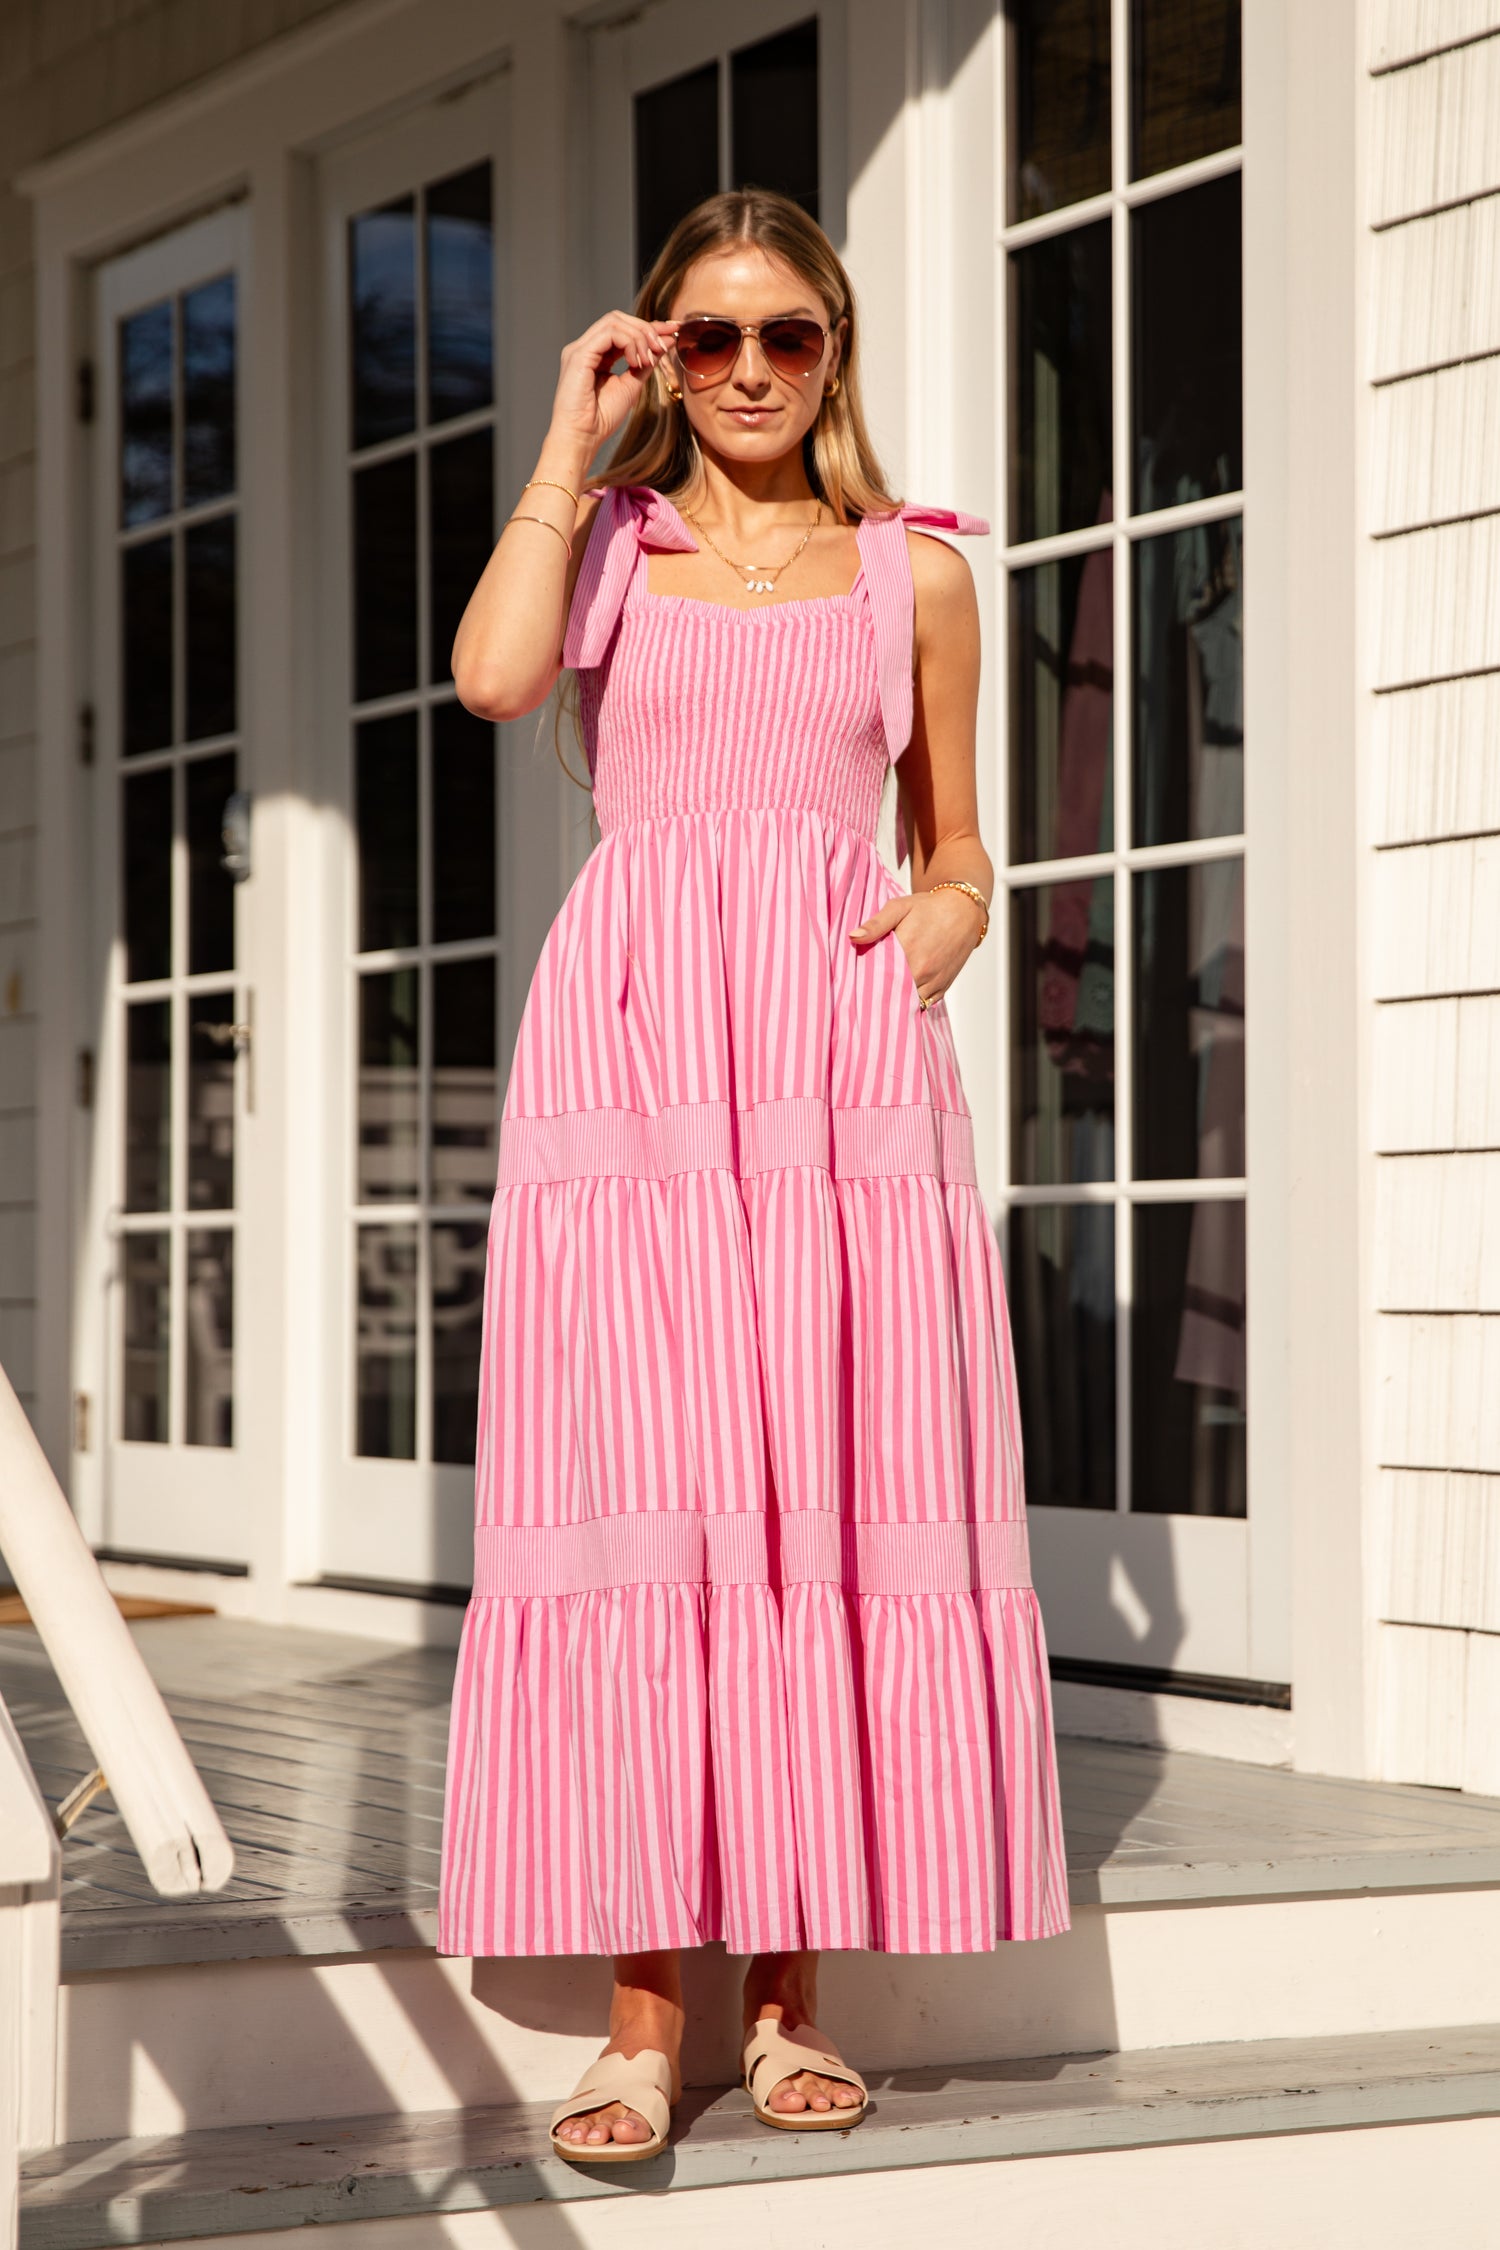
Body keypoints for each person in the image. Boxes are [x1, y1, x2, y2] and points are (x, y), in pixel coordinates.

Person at [437, 186, 1070, 2165]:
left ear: (833, 349)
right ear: (659, 353)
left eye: (784, 333)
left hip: (833, 1060)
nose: (746, 371)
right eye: (702, 337)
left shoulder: (917, 574)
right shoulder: (610, 548)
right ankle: (645, 2022)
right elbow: (492, 680)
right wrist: (570, 434)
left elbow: (957, 837)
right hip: (633, 1052)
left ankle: (793, 2000)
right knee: (653, 1488)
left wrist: (954, 914)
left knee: (817, 1482)